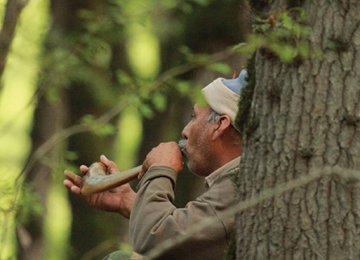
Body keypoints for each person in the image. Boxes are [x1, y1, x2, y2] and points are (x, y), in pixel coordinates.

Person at [63, 69, 248, 259]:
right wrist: (129, 202)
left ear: (220, 125)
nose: (185, 131)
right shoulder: (237, 181)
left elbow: (153, 242)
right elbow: (184, 234)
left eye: (193, 117)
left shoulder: (241, 186)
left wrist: (161, 170)